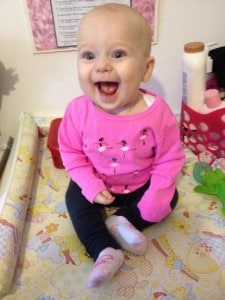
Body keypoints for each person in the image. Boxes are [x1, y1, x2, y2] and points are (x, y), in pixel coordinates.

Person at [58, 3, 185, 288]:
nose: (102, 65)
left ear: (146, 68)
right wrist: (89, 185)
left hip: (140, 183)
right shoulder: (77, 112)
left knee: (170, 197)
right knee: (75, 199)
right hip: (97, 183)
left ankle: (123, 222)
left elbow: (169, 161)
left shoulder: (158, 113)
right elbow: (71, 154)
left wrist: (154, 197)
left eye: (118, 54)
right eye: (89, 55)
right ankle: (104, 249)